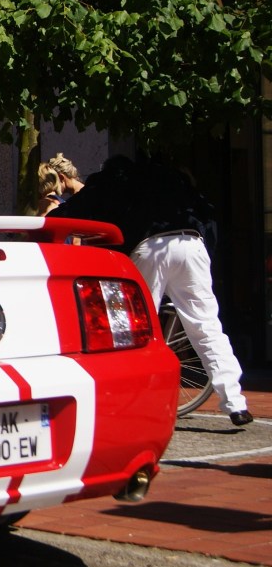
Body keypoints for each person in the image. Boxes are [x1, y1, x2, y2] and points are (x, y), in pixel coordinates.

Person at [48, 156, 252, 426]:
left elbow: (79, 209)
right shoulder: (168, 176)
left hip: (151, 246)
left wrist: (52, 219)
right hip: (191, 242)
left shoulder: (114, 180)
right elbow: (206, 211)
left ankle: (128, 400)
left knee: (132, 329)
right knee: (206, 325)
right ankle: (236, 403)